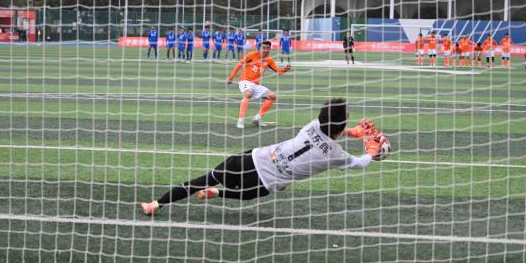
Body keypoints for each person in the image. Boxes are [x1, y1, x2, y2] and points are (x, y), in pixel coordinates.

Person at [140, 98, 389, 216]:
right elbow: (360, 163)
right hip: (263, 183)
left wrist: (353, 132)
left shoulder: (312, 125)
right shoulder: (335, 154)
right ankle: (218, 193)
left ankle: (156, 204)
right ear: (341, 124)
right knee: (252, 194)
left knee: (202, 180)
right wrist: (370, 150)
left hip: (249, 159)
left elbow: (330, 129)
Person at [227, 41, 291, 129]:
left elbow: (278, 71)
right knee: (248, 94)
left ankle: (257, 118)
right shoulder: (251, 55)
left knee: (272, 96)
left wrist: (285, 69)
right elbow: (239, 65)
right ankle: (240, 120)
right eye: (263, 48)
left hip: (256, 84)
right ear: (259, 48)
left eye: (268, 48)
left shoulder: (269, 60)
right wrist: (231, 77)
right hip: (245, 81)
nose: (266, 50)